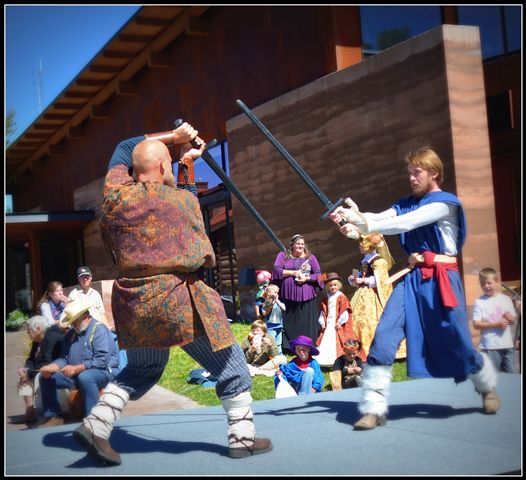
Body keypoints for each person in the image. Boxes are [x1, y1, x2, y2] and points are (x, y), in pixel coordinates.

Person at [72, 123, 272, 466]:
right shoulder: (182, 201)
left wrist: (174, 141)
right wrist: (183, 148)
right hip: (176, 300)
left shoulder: (115, 196)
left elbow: (124, 144)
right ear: (164, 167)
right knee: (232, 365)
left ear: (133, 170)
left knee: (143, 368)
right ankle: (243, 438)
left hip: (133, 302)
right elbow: (199, 246)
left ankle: (97, 423)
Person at [329, 145, 502, 430]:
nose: (411, 177)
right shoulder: (405, 202)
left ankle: (486, 386)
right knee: (384, 335)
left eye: (416, 172)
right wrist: (354, 224)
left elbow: (405, 223)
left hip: (442, 281)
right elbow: (385, 218)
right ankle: (373, 408)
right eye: (408, 172)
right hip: (411, 279)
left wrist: (362, 222)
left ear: (433, 172)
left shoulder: (445, 203)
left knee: (456, 340)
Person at [37, 297, 119, 428]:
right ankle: (52, 415)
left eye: (76, 320)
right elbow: (64, 358)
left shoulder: (100, 330)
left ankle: (93, 420)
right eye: (72, 321)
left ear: (86, 315)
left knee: (86, 377)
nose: (73, 324)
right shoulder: (71, 334)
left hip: (105, 371)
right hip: (78, 373)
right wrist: (51, 367)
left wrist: (76, 369)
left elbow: (101, 360)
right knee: (46, 378)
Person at [348, 234, 406, 360]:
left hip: (373, 296)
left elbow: (381, 280)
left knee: (373, 320)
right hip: (362, 293)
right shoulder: (365, 259)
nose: (360, 246)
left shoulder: (379, 261)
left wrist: (363, 281)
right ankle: (357, 347)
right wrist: (354, 279)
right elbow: (362, 275)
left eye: (362, 243)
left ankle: (378, 348)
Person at [272, 234, 323, 350]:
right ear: (292, 245)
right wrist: (293, 273)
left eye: (302, 244)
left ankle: (308, 345)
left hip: (307, 297)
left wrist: (307, 278)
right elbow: (276, 270)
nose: (300, 246)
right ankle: (289, 346)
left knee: (306, 322)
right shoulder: (283, 256)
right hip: (288, 296)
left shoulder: (311, 258)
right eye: (298, 243)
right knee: (289, 321)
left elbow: (320, 276)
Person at [13, 314, 64, 424]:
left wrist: (29, 373)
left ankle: (50, 413)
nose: (28, 333)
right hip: (41, 368)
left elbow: (47, 361)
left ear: (39, 329)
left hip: (54, 369)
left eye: (29, 330)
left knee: (28, 377)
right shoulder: (37, 340)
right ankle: (29, 412)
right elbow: (31, 359)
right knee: (23, 379)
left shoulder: (52, 337)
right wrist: (25, 369)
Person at [472, 267, 517, 373]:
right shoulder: (479, 302)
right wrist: (496, 324)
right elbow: (476, 324)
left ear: (497, 282)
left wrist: (511, 318)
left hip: (508, 346)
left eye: (489, 283)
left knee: (511, 377)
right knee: (494, 378)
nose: (486, 286)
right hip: (491, 346)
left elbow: (513, 320)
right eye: (483, 284)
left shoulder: (506, 299)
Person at [315, 272, 353, 367]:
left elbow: (344, 311)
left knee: (336, 340)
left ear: (339, 285)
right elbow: (323, 311)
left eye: (335, 285)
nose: (333, 287)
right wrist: (322, 321)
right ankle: (325, 360)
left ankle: (336, 360)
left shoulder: (341, 296)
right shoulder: (327, 297)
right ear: (327, 287)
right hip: (329, 322)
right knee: (325, 340)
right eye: (331, 285)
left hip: (336, 323)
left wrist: (340, 322)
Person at [255, 283, 286, 353]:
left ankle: (280, 355)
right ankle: (271, 354)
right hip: (270, 326)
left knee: (278, 343)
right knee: (271, 342)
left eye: (277, 292)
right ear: (268, 293)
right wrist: (270, 305)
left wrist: (277, 301)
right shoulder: (267, 302)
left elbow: (284, 308)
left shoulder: (278, 302)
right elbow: (264, 313)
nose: (277, 294)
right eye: (275, 292)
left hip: (279, 325)